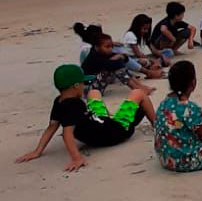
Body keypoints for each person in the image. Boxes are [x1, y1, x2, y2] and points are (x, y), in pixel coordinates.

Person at [15, 64, 155, 171]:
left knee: (94, 93)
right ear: (76, 86)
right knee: (138, 93)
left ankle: (109, 115)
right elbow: (67, 134)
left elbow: (52, 127)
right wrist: (77, 158)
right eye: (83, 83)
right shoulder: (76, 105)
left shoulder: (59, 101)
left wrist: (37, 151)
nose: (84, 86)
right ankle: (157, 125)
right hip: (116, 132)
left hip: (100, 125)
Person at [82, 33, 155, 96]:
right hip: (89, 89)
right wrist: (116, 59)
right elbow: (109, 64)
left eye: (111, 46)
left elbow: (124, 58)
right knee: (116, 68)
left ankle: (140, 87)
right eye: (107, 47)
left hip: (96, 85)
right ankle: (137, 88)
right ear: (97, 47)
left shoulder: (102, 53)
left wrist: (121, 56)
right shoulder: (94, 57)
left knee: (119, 67)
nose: (110, 49)